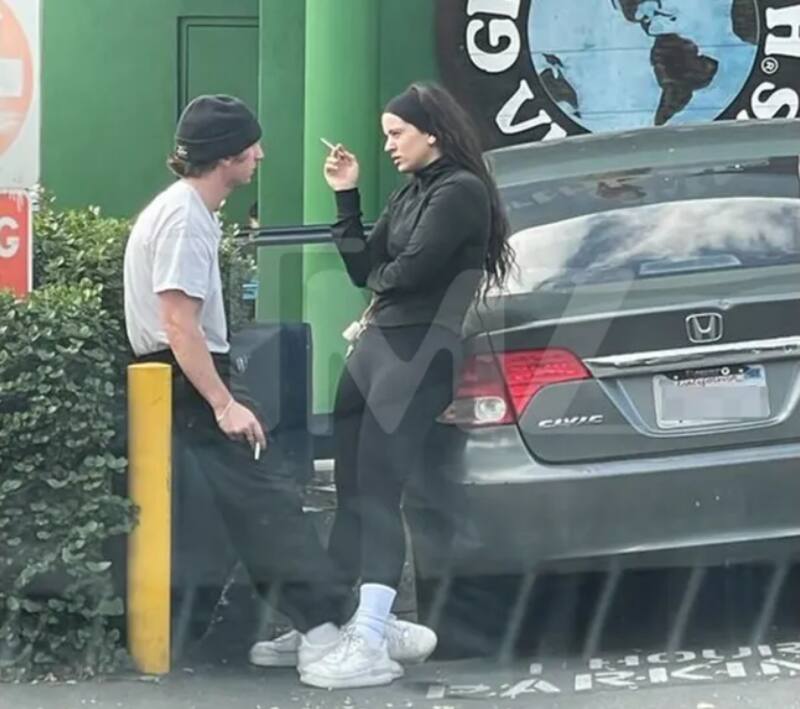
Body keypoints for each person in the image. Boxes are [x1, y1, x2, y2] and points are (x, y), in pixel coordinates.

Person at [123, 94, 432, 684]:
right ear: (227, 156)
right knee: (267, 510)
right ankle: (327, 631)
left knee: (257, 511)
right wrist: (223, 402)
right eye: (252, 147)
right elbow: (178, 323)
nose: (261, 155)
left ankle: (328, 624)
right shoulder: (187, 217)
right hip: (190, 380)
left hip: (179, 378)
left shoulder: (180, 210)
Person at [297, 82, 513, 689]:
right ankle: (358, 615)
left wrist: (385, 279)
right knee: (351, 484)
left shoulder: (461, 191)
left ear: (432, 133)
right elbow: (367, 269)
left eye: (397, 133)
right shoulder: (411, 191)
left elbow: (407, 272)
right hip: (378, 346)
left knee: (379, 489)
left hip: (419, 348)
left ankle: (369, 634)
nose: (388, 144)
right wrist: (346, 196)